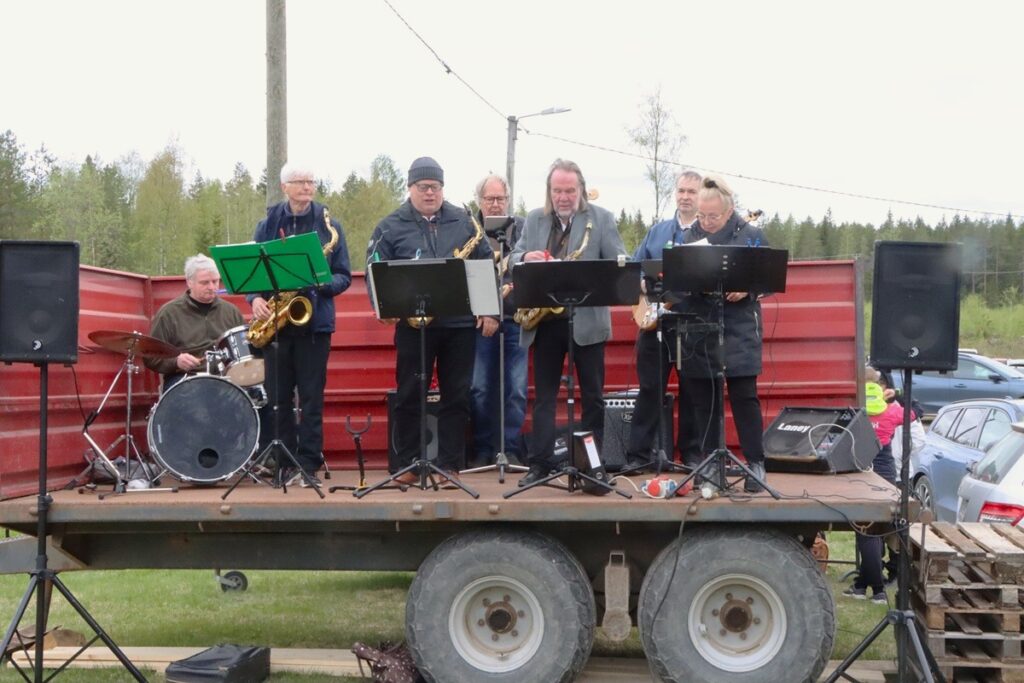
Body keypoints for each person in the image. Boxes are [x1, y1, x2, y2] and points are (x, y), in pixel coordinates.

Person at [367, 157, 498, 484]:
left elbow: (485, 264)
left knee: (458, 394)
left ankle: (450, 465)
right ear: (410, 188)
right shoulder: (389, 225)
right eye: (423, 187)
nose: (430, 193)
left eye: (436, 187)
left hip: (458, 325)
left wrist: (490, 310)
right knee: (410, 393)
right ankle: (409, 464)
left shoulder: (465, 221)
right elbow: (374, 270)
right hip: (413, 329)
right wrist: (382, 307)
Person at [507, 159, 628, 486]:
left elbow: (619, 263)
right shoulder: (534, 220)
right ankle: (540, 465)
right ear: (550, 191)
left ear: (581, 190)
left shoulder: (601, 220)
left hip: (587, 322)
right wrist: (523, 258)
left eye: (570, 190)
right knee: (544, 397)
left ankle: (592, 467)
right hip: (545, 324)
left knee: (593, 397)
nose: (563, 197)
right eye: (557, 190)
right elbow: (512, 258)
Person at [248, 162, 352, 487]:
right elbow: (252, 270)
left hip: (314, 325)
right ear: (284, 187)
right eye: (300, 182)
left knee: (311, 398)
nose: (307, 187)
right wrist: (254, 298)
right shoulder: (266, 225)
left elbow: (344, 276)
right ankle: (284, 461)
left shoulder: (329, 226)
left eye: (311, 182)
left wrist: (320, 283)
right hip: (277, 325)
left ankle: (308, 463)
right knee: (278, 398)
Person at [675, 175, 769, 493]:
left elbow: (770, 278)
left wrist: (748, 289)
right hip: (701, 327)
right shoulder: (689, 237)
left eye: (712, 216)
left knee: (744, 397)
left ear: (728, 213)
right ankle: (711, 463)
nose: (705, 221)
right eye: (701, 215)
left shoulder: (751, 235)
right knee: (704, 401)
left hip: (740, 329)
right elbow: (675, 285)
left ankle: (755, 462)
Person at [625, 170, 703, 471]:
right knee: (649, 390)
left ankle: (692, 457)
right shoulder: (657, 232)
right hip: (655, 324)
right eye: (681, 191)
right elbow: (633, 268)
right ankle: (638, 457)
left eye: (691, 192)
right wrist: (643, 286)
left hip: (692, 323)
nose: (685, 197)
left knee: (693, 391)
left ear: (702, 197)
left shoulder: (707, 234)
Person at [467, 174, 527, 469]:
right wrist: (487, 310)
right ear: (479, 201)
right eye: (489, 199)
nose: (495, 204)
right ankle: (483, 448)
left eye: (500, 199)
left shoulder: (523, 229)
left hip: (517, 318)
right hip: (481, 322)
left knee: (516, 388)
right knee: (480, 388)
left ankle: (511, 449)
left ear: (508, 200)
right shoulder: (468, 230)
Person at [145, 254, 245, 392]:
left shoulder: (231, 311)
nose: (212, 287)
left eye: (215, 281)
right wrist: (176, 362)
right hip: (184, 380)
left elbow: (244, 351)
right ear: (189, 282)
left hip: (226, 379)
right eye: (205, 283)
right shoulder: (169, 313)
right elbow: (151, 357)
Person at [843, 373, 901, 604]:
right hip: (885, 475)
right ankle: (862, 586)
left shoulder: (856, 413)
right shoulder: (891, 411)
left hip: (861, 472)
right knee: (873, 531)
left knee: (866, 532)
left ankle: (875, 589)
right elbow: (915, 409)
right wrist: (894, 395)